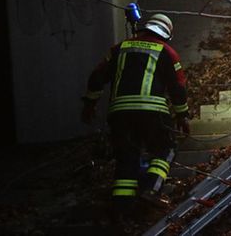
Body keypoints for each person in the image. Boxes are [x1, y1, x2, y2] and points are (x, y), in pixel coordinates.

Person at [81, 12, 190, 224]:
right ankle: (151, 189)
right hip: (153, 112)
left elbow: (97, 77)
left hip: (120, 114)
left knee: (127, 156)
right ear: (167, 33)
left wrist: (90, 103)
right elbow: (177, 87)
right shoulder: (167, 52)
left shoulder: (119, 48)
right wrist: (182, 115)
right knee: (165, 149)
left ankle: (121, 208)